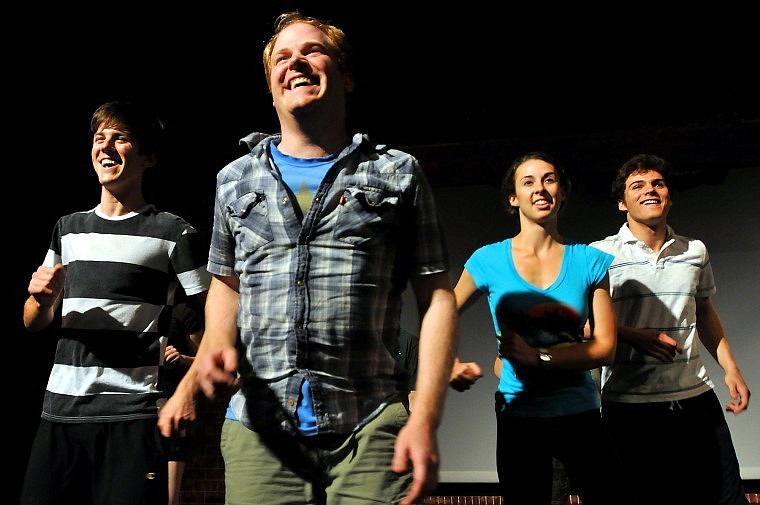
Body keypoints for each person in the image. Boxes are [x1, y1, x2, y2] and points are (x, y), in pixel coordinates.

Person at [158, 11, 458, 505]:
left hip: (371, 422)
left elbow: (438, 297)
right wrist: (195, 375)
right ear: (271, 86)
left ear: (346, 75)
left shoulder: (398, 172)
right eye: (282, 56)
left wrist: (424, 416)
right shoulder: (234, 180)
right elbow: (226, 286)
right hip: (260, 430)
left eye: (313, 50)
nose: (295, 61)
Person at [20, 100, 211, 505]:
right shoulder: (68, 230)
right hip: (61, 411)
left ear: (149, 157)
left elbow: (212, 319)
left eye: (120, 138)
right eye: (99, 138)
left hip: (133, 416)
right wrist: (41, 299)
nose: (105, 146)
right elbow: (34, 322)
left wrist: (190, 381)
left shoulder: (173, 232)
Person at [449, 151, 634, 505]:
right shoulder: (487, 260)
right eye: (528, 182)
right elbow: (441, 314)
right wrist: (447, 362)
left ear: (561, 192)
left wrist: (539, 357)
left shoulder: (589, 261)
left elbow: (605, 348)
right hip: (519, 416)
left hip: (579, 413)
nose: (541, 189)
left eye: (549, 180)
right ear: (513, 197)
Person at [590, 153, 751, 505]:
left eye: (657, 184)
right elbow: (585, 326)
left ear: (669, 196)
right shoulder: (599, 255)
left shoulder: (694, 250)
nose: (650, 190)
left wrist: (731, 368)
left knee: (725, 498)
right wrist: (633, 335)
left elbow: (704, 311)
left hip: (695, 397)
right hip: (629, 404)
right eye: (638, 185)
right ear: (622, 202)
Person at [158, 296, 205, 505]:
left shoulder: (183, 308)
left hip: (172, 399)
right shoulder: (134, 302)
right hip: (136, 402)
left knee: (170, 496)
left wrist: (181, 358)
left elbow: (206, 360)